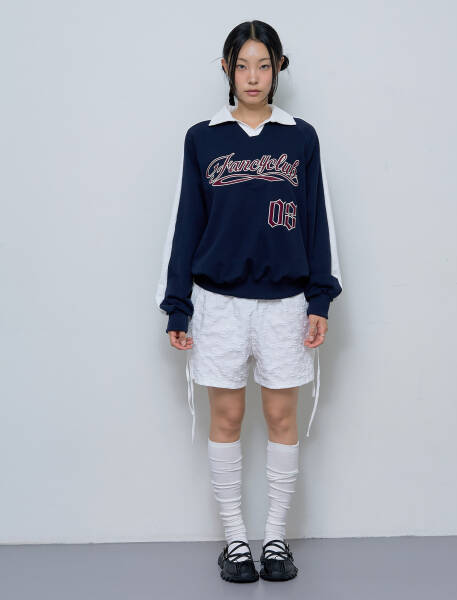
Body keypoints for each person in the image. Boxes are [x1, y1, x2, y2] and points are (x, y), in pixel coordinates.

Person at [155, 20, 343, 584]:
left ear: (278, 67)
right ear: (227, 69)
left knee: (282, 417)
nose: (253, 77)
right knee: (228, 416)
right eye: (242, 66)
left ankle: (276, 539)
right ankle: (236, 540)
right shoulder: (203, 138)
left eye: (263, 65)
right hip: (218, 303)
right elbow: (185, 222)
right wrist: (178, 303)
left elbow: (318, 220)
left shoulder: (300, 138)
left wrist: (320, 299)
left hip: (286, 303)